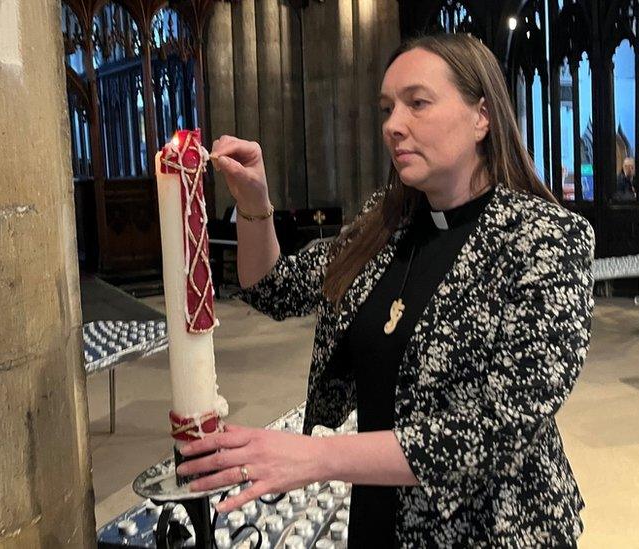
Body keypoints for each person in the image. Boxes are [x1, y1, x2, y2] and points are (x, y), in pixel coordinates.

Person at [176, 34, 594, 546]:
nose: (393, 125)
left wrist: (313, 457)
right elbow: (273, 289)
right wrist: (254, 202)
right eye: (387, 108)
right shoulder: (386, 223)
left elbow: (501, 425)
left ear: (481, 117)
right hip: (380, 511)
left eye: (417, 103)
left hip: (492, 524)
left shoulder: (545, 237)